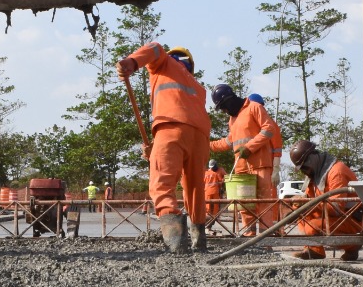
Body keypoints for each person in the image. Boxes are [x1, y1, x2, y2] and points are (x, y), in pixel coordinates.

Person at [117, 43, 212, 254]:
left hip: (171, 127)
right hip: (200, 137)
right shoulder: (198, 87)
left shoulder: (164, 63)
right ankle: (199, 239)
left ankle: (176, 243)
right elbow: (186, 118)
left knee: (161, 183)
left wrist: (132, 62)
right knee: (195, 188)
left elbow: (155, 48)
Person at [209, 84, 278, 235]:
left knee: (263, 203)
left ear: (230, 99)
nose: (224, 111)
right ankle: (249, 236)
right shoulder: (232, 119)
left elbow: (269, 129)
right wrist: (208, 145)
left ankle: (266, 238)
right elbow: (229, 141)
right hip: (241, 168)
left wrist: (249, 148)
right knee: (244, 204)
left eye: (224, 107)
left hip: (260, 165)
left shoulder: (254, 107)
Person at [286, 139, 363, 261]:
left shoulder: (337, 172)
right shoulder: (315, 173)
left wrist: (308, 203)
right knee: (302, 216)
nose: (303, 171)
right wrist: (298, 205)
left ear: (311, 159)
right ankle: (314, 250)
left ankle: (353, 245)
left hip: (351, 220)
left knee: (312, 226)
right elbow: (309, 199)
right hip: (334, 217)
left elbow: (336, 208)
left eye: (303, 167)